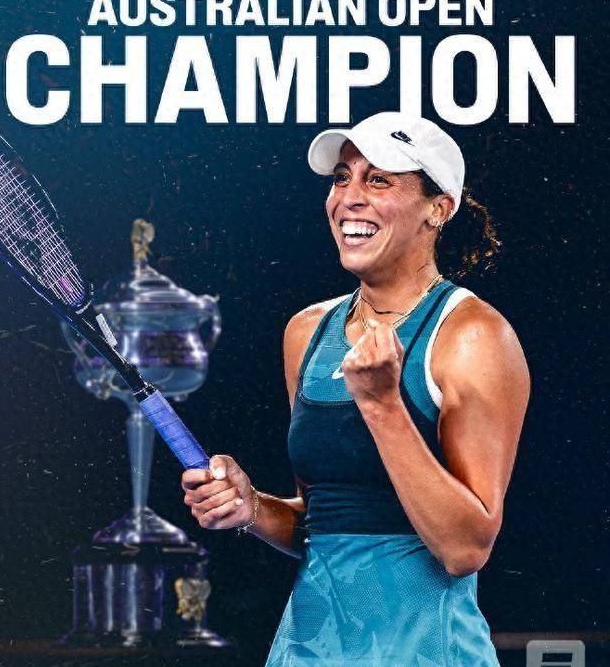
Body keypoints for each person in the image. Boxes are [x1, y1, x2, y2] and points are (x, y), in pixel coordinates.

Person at [181, 112, 530, 666]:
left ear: (438, 208)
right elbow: (325, 523)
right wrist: (253, 508)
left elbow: (465, 547)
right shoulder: (306, 332)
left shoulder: (473, 336)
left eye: (379, 180)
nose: (350, 198)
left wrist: (383, 404)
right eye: (342, 178)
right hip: (307, 650)